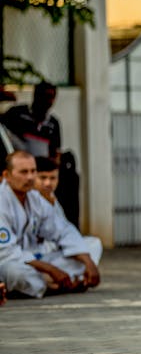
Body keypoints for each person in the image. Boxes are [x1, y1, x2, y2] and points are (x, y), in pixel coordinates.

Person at [0, 151, 101, 298]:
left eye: (33, 171)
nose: (29, 177)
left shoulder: (34, 198)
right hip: (9, 262)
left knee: (92, 245)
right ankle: (49, 287)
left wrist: (89, 263)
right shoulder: (2, 201)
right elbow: (7, 253)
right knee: (14, 272)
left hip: (36, 259)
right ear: (7, 176)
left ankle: (43, 283)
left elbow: (63, 230)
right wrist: (51, 269)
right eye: (23, 172)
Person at [1, 82, 79, 225]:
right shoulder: (17, 114)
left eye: (52, 97)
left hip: (39, 175)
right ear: (36, 95)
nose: (49, 101)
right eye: (46, 96)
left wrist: (49, 173)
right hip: (18, 173)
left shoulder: (53, 123)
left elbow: (55, 153)